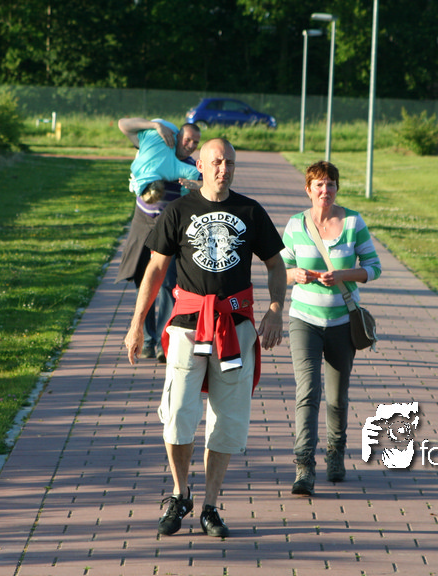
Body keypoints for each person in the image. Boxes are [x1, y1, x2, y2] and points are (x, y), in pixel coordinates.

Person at [124, 138, 286, 538]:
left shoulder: (250, 211)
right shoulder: (179, 210)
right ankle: (180, 494)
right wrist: (136, 323)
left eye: (229, 162)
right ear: (200, 165)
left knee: (227, 419)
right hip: (187, 324)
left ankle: (211, 505)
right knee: (178, 413)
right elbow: (155, 270)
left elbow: (275, 265)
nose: (223, 168)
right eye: (216, 161)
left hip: (235, 326)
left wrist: (275, 309)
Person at [280, 160, 381, 496]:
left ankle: (335, 454)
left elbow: (373, 267)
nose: (325, 190)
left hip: (341, 322)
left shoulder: (353, 222)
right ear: (308, 190)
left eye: (331, 184)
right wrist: (295, 274)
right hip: (304, 321)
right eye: (319, 185)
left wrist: (342, 275)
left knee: (337, 398)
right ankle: (304, 465)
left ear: (337, 188)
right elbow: (280, 269)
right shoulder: (296, 224)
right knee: (308, 392)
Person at [115, 118, 201, 361]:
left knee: (167, 284)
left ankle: (164, 342)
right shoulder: (157, 146)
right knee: (142, 280)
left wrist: (195, 185)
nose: (191, 145)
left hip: (170, 232)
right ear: (177, 137)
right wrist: (155, 126)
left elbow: (207, 188)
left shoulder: (190, 167)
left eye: (195, 142)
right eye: (188, 139)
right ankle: (148, 339)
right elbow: (124, 125)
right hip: (142, 224)